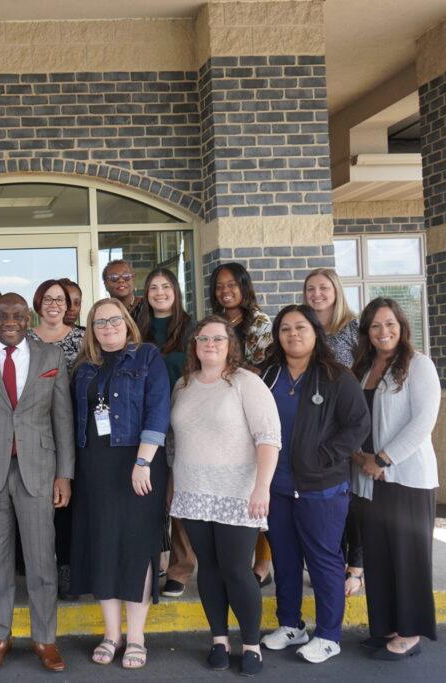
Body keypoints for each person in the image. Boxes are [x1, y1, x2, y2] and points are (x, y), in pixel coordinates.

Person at [0, 292, 74, 672]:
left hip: (38, 470)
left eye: (17, 315)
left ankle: (45, 639)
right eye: (1, 314)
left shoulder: (50, 357)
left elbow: (63, 420)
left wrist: (64, 475)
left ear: (28, 318)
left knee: (41, 561)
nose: (8, 321)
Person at [169, 315, 280, 676]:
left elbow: (268, 438)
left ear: (231, 344)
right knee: (210, 570)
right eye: (203, 339)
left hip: (237, 492)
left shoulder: (246, 383)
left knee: (236, 569)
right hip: (194, 491)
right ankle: (219, 639)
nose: (210, 345)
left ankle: (250, 644)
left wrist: (261, 487)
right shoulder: (183, 385)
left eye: (218, 339)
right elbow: (176, 441)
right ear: (194, 345)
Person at [258, 305, 370, 663]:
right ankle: (291, 625)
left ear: (315, 332)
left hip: (321, 487)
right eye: (286, 328)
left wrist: (326, 455)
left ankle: (329, 635)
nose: (293, 334)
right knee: (286, 560)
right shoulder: (267, 376)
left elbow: (357, 425)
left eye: (301, 327)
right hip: (277, 486)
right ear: (277, 335)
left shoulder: (337, 376)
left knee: (323, 561)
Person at [69, 299, 170, 670]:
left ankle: (137, 637)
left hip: (138, 464)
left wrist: (143, 461)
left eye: (114, 320)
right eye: (99, 322)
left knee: (136, 548)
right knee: (104, 547)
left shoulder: (147, 357)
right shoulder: (84, 368)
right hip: (95, 467)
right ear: (91, 330)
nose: (108, 327)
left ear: (127, 323)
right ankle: (111, 634)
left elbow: (158, 409)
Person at [352, 298, 440, 660]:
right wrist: (361, 458)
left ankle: (410, 633)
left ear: (402, 327)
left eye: (389, 324)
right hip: (368, 477)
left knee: (408, 557)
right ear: (367, 332)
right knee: (379, 556)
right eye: (375, 326)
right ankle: (386, 626)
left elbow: (423, 421)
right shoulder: (364, 367)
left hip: (405, 477)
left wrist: (384, 459)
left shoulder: (419, 365)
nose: (383, 331)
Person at [209, 262, 275, 584]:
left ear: (244, 286)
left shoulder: (260, 323)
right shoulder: (216, 323)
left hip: (251, 404)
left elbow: (261, 367)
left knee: (256, 485)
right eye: (220, 285)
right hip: (222, 409)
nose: (226, 290)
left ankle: (262, 563)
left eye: (232, 284)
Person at [302, 268, 365, 597]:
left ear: (336, 291)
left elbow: (366, 370)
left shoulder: (353, 328)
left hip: (347, 420)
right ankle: (332, 561)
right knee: (329, 496)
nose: (317, 294)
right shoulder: (306, 328)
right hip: (314, 422)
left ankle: (355, 566)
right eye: (311, 288)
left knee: (351, 495)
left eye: (324, 288)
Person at [135, 269, 195, 599]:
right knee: (150, 493)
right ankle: (151, 560)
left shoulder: (190, 327)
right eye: (153, 287)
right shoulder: (136, 327)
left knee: (179, 494)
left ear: (175, 291)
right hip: (145, 420)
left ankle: (180, 568)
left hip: (183, 418)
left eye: (165, 287)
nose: (159, 292)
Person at [25, 279, 84, 600]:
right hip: (36, 431)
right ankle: (38, 570)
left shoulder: (84, 337)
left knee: (70, 502)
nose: (54, 304)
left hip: (78, 428)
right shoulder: (26, 339)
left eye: (60, 299)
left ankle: (68, 568)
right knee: (40, 500)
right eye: (47, 298)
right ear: (38, 303)